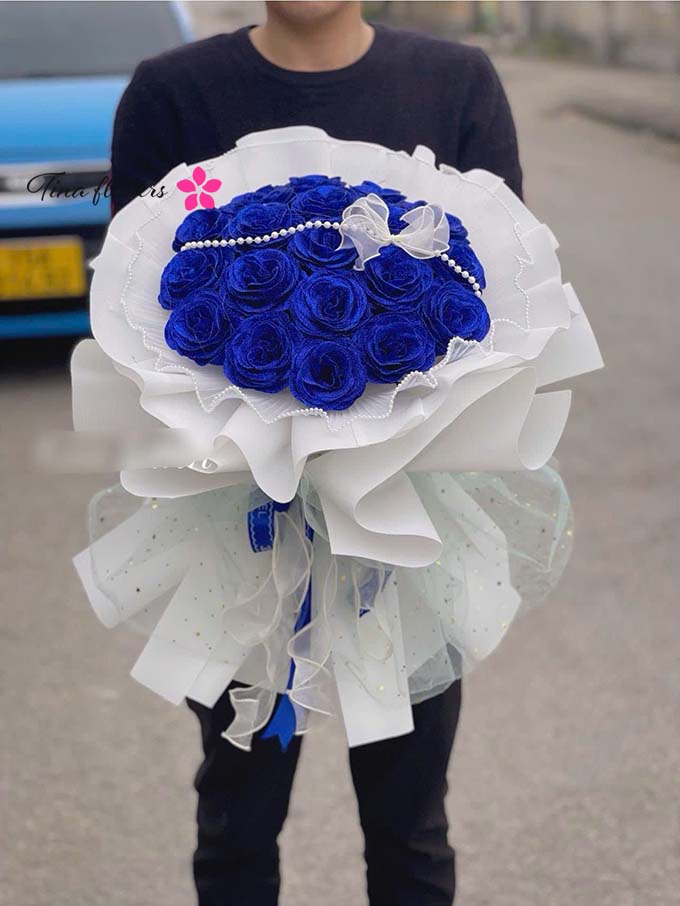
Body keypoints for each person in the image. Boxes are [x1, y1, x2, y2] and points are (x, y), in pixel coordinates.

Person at [110, 3, 522, 905]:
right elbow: (137, 315)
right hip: (239, 529)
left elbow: (500, 311)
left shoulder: (455, 85)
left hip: (403, 526)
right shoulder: (172, 94)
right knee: (236, 821)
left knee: (410, 826)